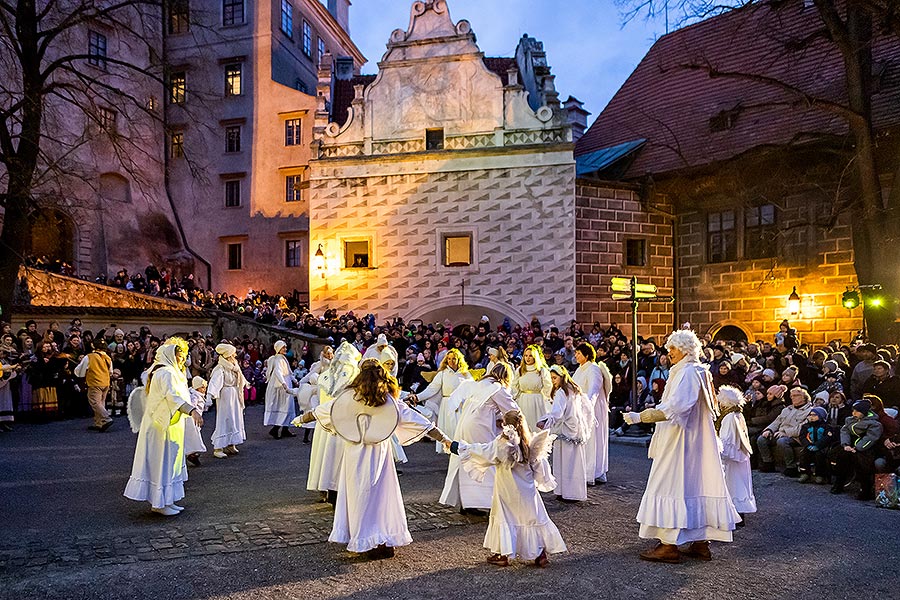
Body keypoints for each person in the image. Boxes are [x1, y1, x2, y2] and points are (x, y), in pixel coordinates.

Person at [294, 359, 451, 559]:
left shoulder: (349, 397)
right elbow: (420, 422)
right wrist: (445, 439)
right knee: (381, 496)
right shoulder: (388, 400)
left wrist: (300, 419)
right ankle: (381, 539)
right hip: (379, 453)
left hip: (354, 453)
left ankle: (364, 539)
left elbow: (322, 411)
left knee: (358, 495)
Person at [623, 329, 740, 563]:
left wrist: (640, 417)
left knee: (672, 483)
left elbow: (677, 407)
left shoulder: (688, 372)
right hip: (696, 440)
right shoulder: (698, 371)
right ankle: (700, 542)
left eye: (673, 348)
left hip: (681, 439)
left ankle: (668, 545)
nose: (669, 353)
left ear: (685, 349)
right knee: (695, 483)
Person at [451, 409, 566, 567]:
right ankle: (540, 554)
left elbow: (483, 451)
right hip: (527, 490)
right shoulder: (528, 442)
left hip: (507, 489)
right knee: (532, 517)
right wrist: (542, 480)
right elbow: (538, 466)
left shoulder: (502, 443)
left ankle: (503, 554)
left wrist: (458, 447)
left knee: (504, 517)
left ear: (506, 425)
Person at [124, 339, 204, 516]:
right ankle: (160, 503)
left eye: (183, 356)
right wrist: (192, 411)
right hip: (162, 426)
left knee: (170, 460)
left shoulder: (166, 372)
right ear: (170, 356)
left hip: (169, 424)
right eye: (179, 356)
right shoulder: (166, 373)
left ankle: (167, 499)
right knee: (163, 460)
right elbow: (173, 396)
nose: (182, 360)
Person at [439, 362, 519, 515]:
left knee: (466, 458)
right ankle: (487, 502)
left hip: (463, 424)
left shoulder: (477, 384)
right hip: (479, 426)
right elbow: (513, 411)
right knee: (485, 458)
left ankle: (467, 502)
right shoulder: (498, 388)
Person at [307, 342, 361, 504]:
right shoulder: (353, 374)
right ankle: (336, 492)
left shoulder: (326, 374)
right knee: (336, 459)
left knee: (324, 456)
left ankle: (326, 489)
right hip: (341, 423)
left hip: (324, 422)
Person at [538, 365, 594, 502]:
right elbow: (586, 408)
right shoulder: (573, 389)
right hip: (574, 428)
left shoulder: (562, 392)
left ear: (562, 376)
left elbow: (557, 412)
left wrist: (545, 421)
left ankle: (565, 491)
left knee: (565, 460)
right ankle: (571, 491)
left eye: (554, 378)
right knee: (573, 461)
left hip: (566, 429)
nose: (553, 381)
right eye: (551, 378)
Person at [407, 348, 473, 447]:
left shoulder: (465, 374)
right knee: (449, 429)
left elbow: (472, 389)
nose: (451, 361)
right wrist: (417, 397)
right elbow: (432, 389)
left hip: (461, 405)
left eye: (454, 359)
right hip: (447, 404)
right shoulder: (442, 374)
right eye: (449, 359)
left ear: (459, 359)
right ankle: (450, 448)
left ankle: (461, 449)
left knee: (460, 430)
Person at [829, 397, 884, 500]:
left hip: (866, 448)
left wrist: (857, 448)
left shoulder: (874, 424)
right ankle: (839, 483)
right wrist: (846, 445)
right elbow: (844, 431)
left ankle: (865, 489)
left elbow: (871, 438)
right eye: (853, 410)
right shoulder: (850, 420)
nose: (854, 413)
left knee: (861, 463)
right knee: (841, 456)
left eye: (857, 411)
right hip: (850, 446)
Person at [716, 386, 757, 523]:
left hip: (733, 457)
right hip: (739, 455)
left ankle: (736, 516)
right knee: (738, 484)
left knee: (733, 485)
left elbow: (727, 439)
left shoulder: (729, 417)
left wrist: (719, 452)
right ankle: (738, 515)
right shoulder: (737, 414)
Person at [573, 342, 611, 485]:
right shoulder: (580, 369)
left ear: (587, 355)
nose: (576, 355)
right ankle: (584, 469)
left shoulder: (593, 369)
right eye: (576, 353)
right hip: (581, 406)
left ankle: (594, 471)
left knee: (594, 439)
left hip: (593, 408)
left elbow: (594, 389)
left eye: (579, 353)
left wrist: (587, 406)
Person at [756, 387, 812, 476]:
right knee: (762, 439)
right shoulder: (787, 409)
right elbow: (777, 422)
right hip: (780, 433)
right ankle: (768, 463)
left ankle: (791, 466)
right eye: (791, 396)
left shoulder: (810, 411)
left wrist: (785, 432)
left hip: (796, 437)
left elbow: (801, 429)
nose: (792, 398)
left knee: (782, 441)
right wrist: (769, 430)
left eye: (795, 395)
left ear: (804, 397)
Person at [208, 343, 249, 459]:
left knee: (234, 418)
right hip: (226, 396)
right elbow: (214, 383)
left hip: (235, 395)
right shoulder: (220, 368)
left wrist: (245, 384)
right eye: (233, 353)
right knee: (224, 419)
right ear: (228, 355)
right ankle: (218, 447)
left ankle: (231, 443)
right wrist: (209, 396)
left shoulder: (234, 366)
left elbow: (240, 377)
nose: (235, 355)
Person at [74, 338, 114, 432]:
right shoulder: (107, 357)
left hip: (95, 382)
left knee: (95, 402)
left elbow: (80, 371)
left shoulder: (90, 357)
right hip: (105, 382)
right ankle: (99, 423)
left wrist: (77, 372)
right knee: (101, 403)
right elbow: (111, 371)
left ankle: (106, 418)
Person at [511, 345, 552, 432]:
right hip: (523, 400)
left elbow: (548, 385)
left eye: (530, 356)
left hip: (537, 400)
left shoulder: (541, 370)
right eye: (526, 355)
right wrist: (517, 397)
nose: (527, 358)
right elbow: (514, 385)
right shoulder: (520, 370)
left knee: (536, 427)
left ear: (535, 357)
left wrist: (543, 397)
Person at [264, 340, 297, 440]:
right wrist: (283, 383)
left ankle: (285, 429)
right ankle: (275, 429)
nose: (285, 349)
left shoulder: (283, 359)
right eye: (283, 348)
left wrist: (295, 381)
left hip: (286, 383)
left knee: (288, 406)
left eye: (285, 347)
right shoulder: (278, 360)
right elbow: (278, 372)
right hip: (280, 386)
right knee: (284, 407)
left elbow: (289, 372)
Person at [797, 406, 837, 484]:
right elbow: (802, 436)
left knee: (820, 456)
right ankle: (805, 473)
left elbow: (827, 437)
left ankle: (820, 475)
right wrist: (808, 445)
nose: (811, 417)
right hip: (809, 446)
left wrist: (817, 445)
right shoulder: (806, 426)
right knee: (804, 455)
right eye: (810, 415)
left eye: (814, 415)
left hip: (821, 447)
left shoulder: (826, 427)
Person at [185, 376, 209, 467]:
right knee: (193, 438)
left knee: (194, 437)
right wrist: (193, 411)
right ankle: (191, 453)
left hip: (196, 420)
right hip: (193, 420)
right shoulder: (195, 396)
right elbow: (192, 405)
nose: (204, 389)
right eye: (202, 387)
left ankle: (191, 453)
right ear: (197, 387)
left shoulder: (198, 395)